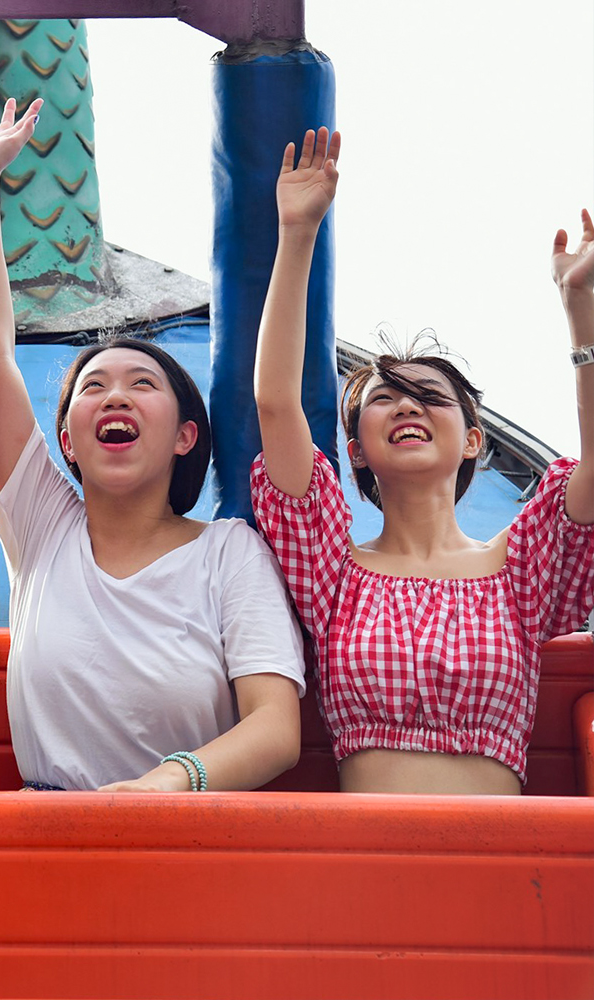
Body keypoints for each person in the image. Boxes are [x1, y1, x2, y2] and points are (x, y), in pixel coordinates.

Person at [0, 99, 306, 793]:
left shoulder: (229, 552)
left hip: (186, 841)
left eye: (142, 383)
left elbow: (275, 728)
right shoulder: (42, 524)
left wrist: (165, 787)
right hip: (48, 843)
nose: (114, 396)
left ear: (186, 435)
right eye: (93, 387)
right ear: (67, 438)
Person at [251, 128, 594, 794]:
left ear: (472, 440)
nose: (407, 408)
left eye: (429, 397)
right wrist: (297, 236)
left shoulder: (522, 571)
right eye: (385, 400)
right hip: (368, 875)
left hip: (502, 877)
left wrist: (582, 320)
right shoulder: (333, 576)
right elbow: (274, 402)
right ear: (356, 451)